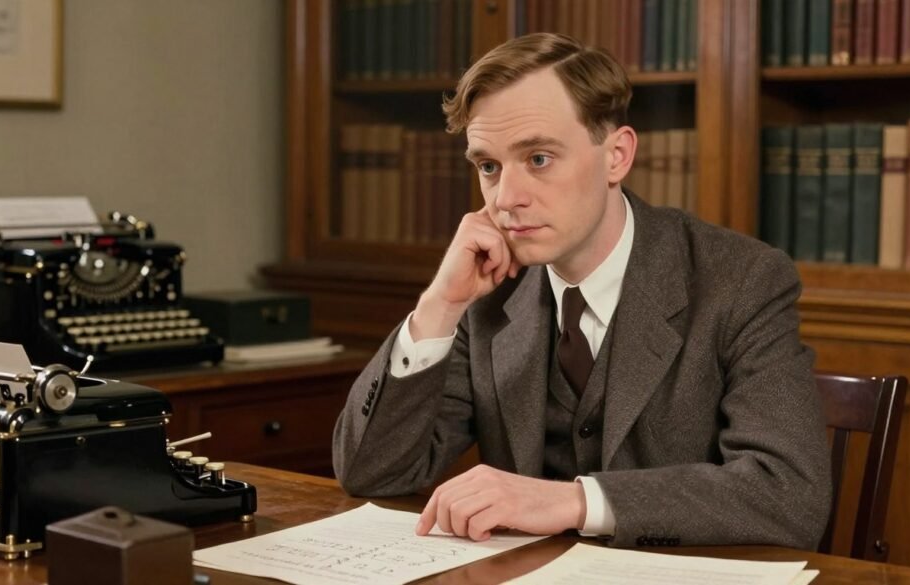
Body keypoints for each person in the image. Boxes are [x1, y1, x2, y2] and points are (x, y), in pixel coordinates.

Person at [332, 32, 830, 549]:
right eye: (488, 166)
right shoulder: (488, 291)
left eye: (539, 159)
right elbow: (372, 474)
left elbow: (789, 494)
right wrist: (438, 306)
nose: (507, 198)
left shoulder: (742, 280)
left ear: (616, 156)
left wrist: (572, 501)